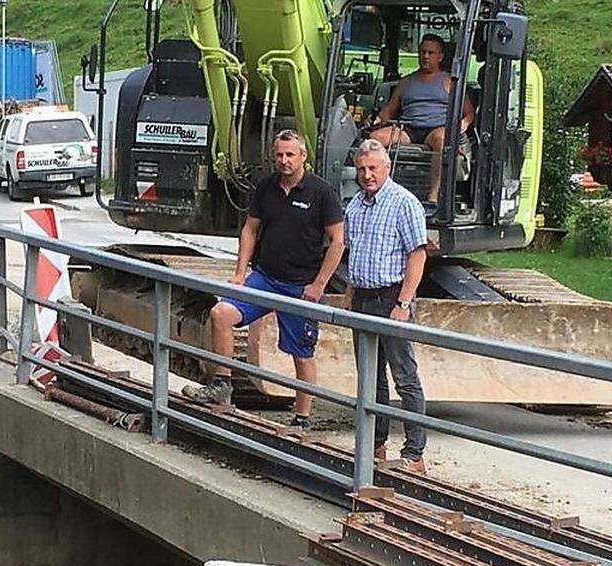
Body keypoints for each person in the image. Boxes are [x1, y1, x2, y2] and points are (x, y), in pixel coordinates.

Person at [182, 129, 344, 431]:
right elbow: (250, 229)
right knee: (221, 314)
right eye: (279, 155)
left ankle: (302, 418)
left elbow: (337, 241)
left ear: (303, 156)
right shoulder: (265, 187)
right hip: (265, 278)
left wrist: (319, 284)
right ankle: (221, 385)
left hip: (299, 285)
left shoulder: (322, 193)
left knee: (301, 353)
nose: (284, 160)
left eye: (290, 155)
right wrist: (240, 273)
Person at [343, 138, 428, 473]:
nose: (367, 175)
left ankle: (415, 452)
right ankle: (375, 444)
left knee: (404, 375)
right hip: (363, 297)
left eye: (373, 168)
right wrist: (349, 291)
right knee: (370, 376)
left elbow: (417, 254)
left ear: (386, 168)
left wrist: (404, 302)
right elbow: (354, 252)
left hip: (392, 297)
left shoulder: (404, 204)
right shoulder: (354, 206)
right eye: (362, 169)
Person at [369, 33, 474, 204]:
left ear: (440, 57)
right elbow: (388, 111)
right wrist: (376, 121)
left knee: (442, 139)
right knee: (375, 139)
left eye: (431, 53)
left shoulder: (450, 81)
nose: (426, 56)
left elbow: (469, 113)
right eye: (423, 52)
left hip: (436, 129)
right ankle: (380, 190)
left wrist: (464, 123)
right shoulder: (406, 82)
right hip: (408, 129)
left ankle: (433, 196)